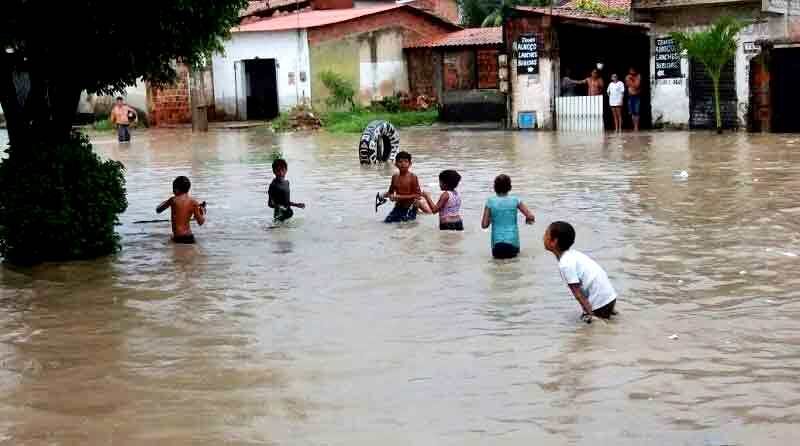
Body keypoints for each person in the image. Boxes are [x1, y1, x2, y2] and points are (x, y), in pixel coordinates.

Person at [543, 221, 618, 324]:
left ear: (554, 241)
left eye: (546, 234)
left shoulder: (565, 264)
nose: (543, 237)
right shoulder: (573, 255)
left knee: (591, 330)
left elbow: (578, 294)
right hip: (609, 297)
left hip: (600, 301)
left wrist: (590, 314)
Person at [481, 174, 535, 259]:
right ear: (510, 187)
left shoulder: (490, 202)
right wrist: (528, 220)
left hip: (497, 245)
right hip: (513, 243)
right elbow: (531, 217)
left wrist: (491, 218)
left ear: (495, 187)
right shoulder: (515, 200)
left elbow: (484, 225)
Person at [156, 176, 206, 244]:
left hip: (178, 237)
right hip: (189, 237)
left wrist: (166, 201)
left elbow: (158, 210)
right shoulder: (194, 202)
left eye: (173, 188)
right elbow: (200, 222)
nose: (173, 191)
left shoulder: (173, 200)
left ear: (176, 189)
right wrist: (202, 212)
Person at [382, 151, 423, 223]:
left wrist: (399, 197)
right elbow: (390, 192)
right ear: (396, 164)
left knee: (404, 226)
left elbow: (418, 195)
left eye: (406, 161)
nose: (403, 164)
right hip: (398, 207)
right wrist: (384, 195)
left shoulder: (412, 177)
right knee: (386, 223)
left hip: (410, 207)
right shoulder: (395, 177)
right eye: (400, 162)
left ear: (410, 164)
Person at [268, 159, 305, 223]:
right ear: (274, 171)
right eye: (278, 170)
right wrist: (279, 206)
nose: (280, 173)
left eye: (282, 170)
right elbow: (270, 204)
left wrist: (296, 205)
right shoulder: (273, 185)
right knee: (276, 231)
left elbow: (286, 201)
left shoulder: (287, 183)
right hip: (279, 216)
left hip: (288, 214)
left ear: (286, 170)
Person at [625, 67, 642, 132]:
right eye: (630, 71)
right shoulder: (627, 77)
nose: (632, 72)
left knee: (637, 112)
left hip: (637, 96)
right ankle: (634, 126)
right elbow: (628, 84)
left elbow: (637, 85)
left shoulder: (638, 76)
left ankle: (636, 126)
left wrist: (632, 80)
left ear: (635, 71)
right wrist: (633, 82)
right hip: (630, 96)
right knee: (632, 112)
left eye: (633, 71)